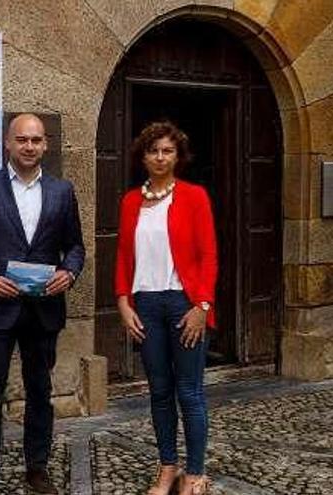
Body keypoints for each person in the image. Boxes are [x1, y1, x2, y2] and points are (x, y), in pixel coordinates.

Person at [0, 113, 85, 495]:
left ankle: (37, 469)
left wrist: (69, 273)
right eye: (22, 140)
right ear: (7, 143)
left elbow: (74, 246)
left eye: (36, 140)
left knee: (40, 392)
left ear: (45, 145)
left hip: (43, 309)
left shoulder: (63, 191)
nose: (29, 147)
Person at [115, 121, 218, 495]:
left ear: (178, 156)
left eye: (167, 151)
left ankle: (194, 471)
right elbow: (124, 255)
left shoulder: (194, 197)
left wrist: (202, 306)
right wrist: (123, 302)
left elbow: (209, 255)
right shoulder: (130, 201)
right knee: (158, 391)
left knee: (189, 391)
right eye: (153, 150)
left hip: (182, 303)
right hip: (146, 304)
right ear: (143, 156)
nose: (160, 157)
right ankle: (167, 467)